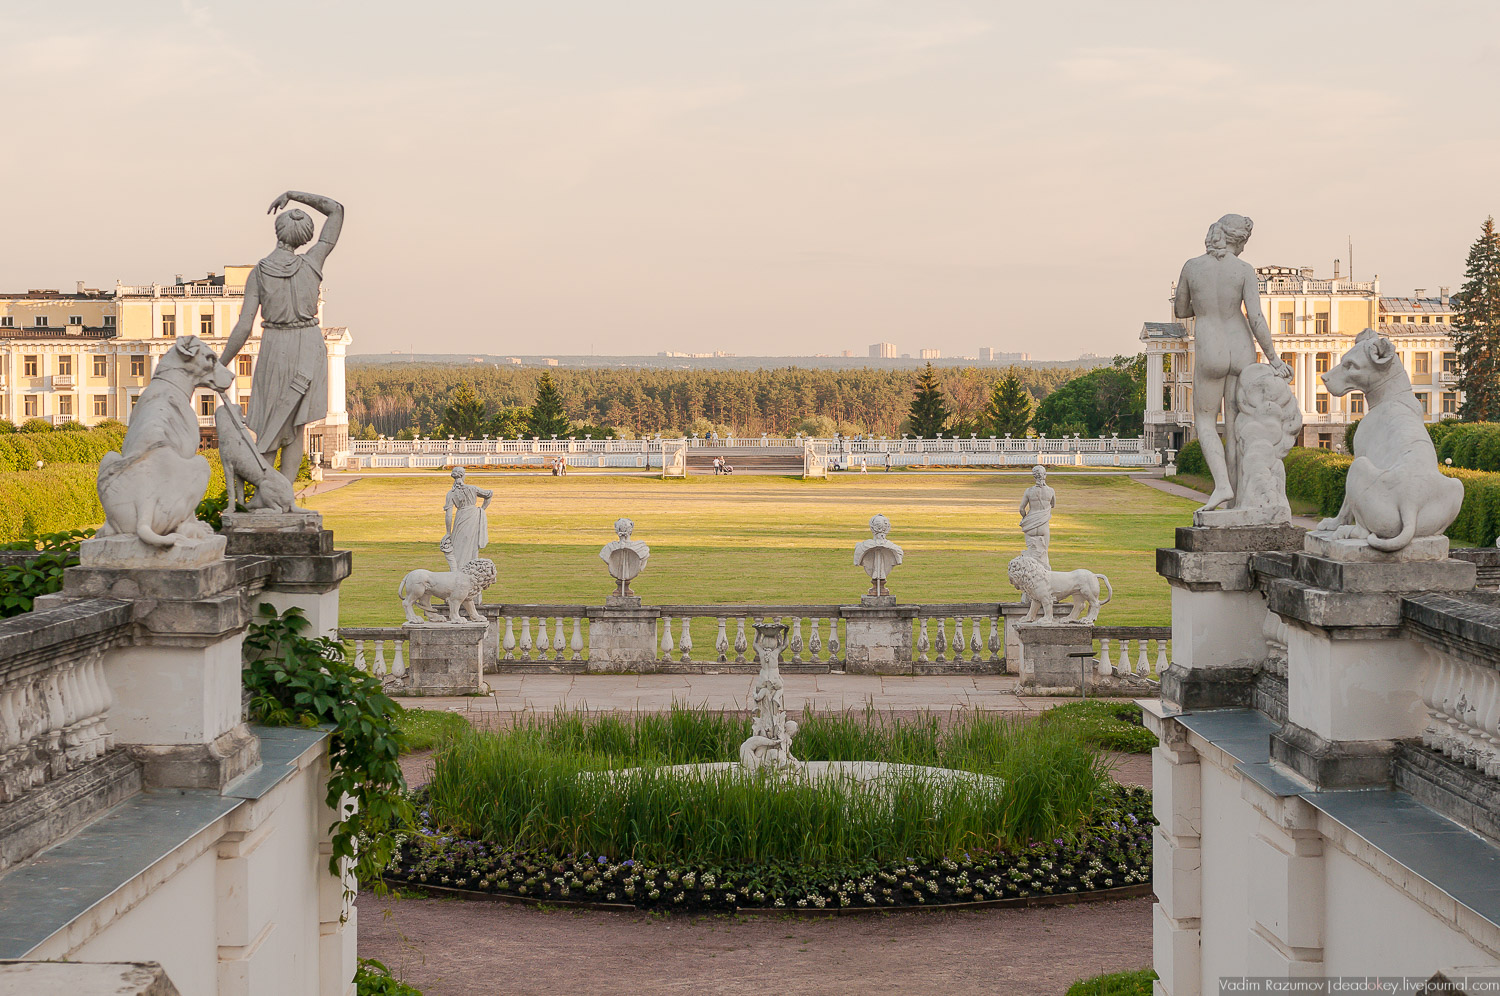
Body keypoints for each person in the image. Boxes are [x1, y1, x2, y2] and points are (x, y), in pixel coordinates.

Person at [220, 190, 344, 487]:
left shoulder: (259, 273)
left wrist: (220, 363)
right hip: (309, 344)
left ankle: (267, 494)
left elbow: (243, 327)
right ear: (305, 239)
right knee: (296, 425)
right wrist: (293, 195)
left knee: (269, 423)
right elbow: (336, 210)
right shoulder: (313, 262)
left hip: (275, 345)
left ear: (278, 232)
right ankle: (282, 496)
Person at [1174, 214, 1292, 511]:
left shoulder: (1192, 267)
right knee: (1237, 425)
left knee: (1204, 420)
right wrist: (1274, 359)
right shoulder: (1243, 270)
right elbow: (1255, 318)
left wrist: (1202, 307)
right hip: (1241, 347)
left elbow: (1180, 309)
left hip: (1210, 346)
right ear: (1236, 240)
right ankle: (1239, 501)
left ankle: (1222, 486)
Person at [442, 467, 492, 571]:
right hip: (473, 516)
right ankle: (469, 569)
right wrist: (482, 509)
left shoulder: (451, 493)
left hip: (460, 518)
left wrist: (448, 532)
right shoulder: (472, 488)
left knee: (458, 545)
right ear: (463, 475)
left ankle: (459, 570)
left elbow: (449, 515)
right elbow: (489, 494)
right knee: (472, 544)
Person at [1018, 464, 1056, 568]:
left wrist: (1025, 518)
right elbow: (1053, 505)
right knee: (1044, 554)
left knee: (1030, 553)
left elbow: (1021, 509)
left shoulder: (1029, 491)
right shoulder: (1051, 491)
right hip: (1043, 525)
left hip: (1030, 524)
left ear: (1034, 476)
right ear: (1045, 475)